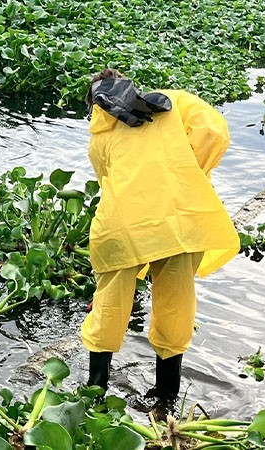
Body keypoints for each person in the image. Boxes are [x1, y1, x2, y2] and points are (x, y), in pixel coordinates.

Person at [81, 68, 239, 415]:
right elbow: (214, 131)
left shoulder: (100, 136)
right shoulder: (172, 103)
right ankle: (165, 398)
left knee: (108, 305)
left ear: (96, 104)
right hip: (181, 222)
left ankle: (95, 392)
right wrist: (188, 174)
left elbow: (109, 183)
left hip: (124, 227)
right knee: (174, 304)